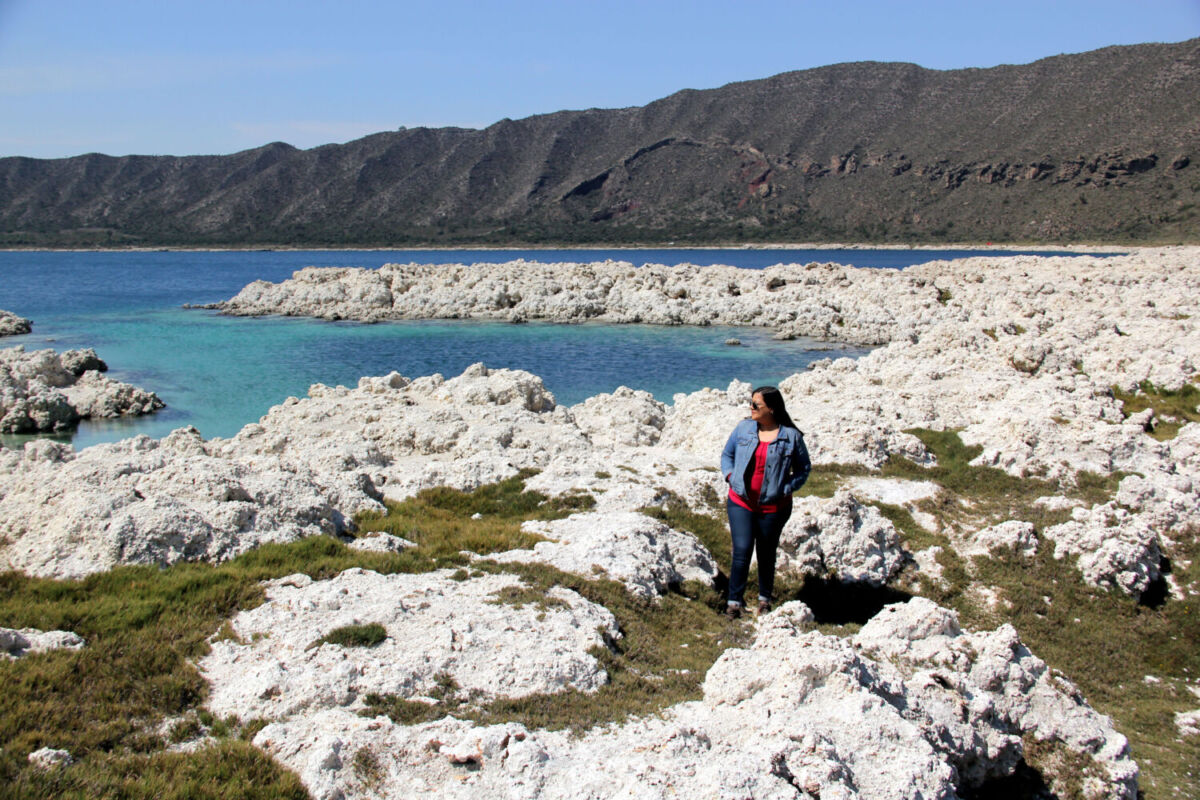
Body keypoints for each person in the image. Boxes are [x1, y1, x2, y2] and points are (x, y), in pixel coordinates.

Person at [720, 386, 811, 619]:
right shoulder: (743, 429)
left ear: (771, 408)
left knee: (766, 552)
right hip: (740, 501)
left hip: (774, 507)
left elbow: (803, 469)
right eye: (750, 403)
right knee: (741, 550)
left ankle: (764, 599)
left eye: (755, 405)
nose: (750, 408)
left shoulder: (791, 437)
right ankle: (734, 602)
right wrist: (730, 476)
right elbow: (726, 455)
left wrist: (786, 488)